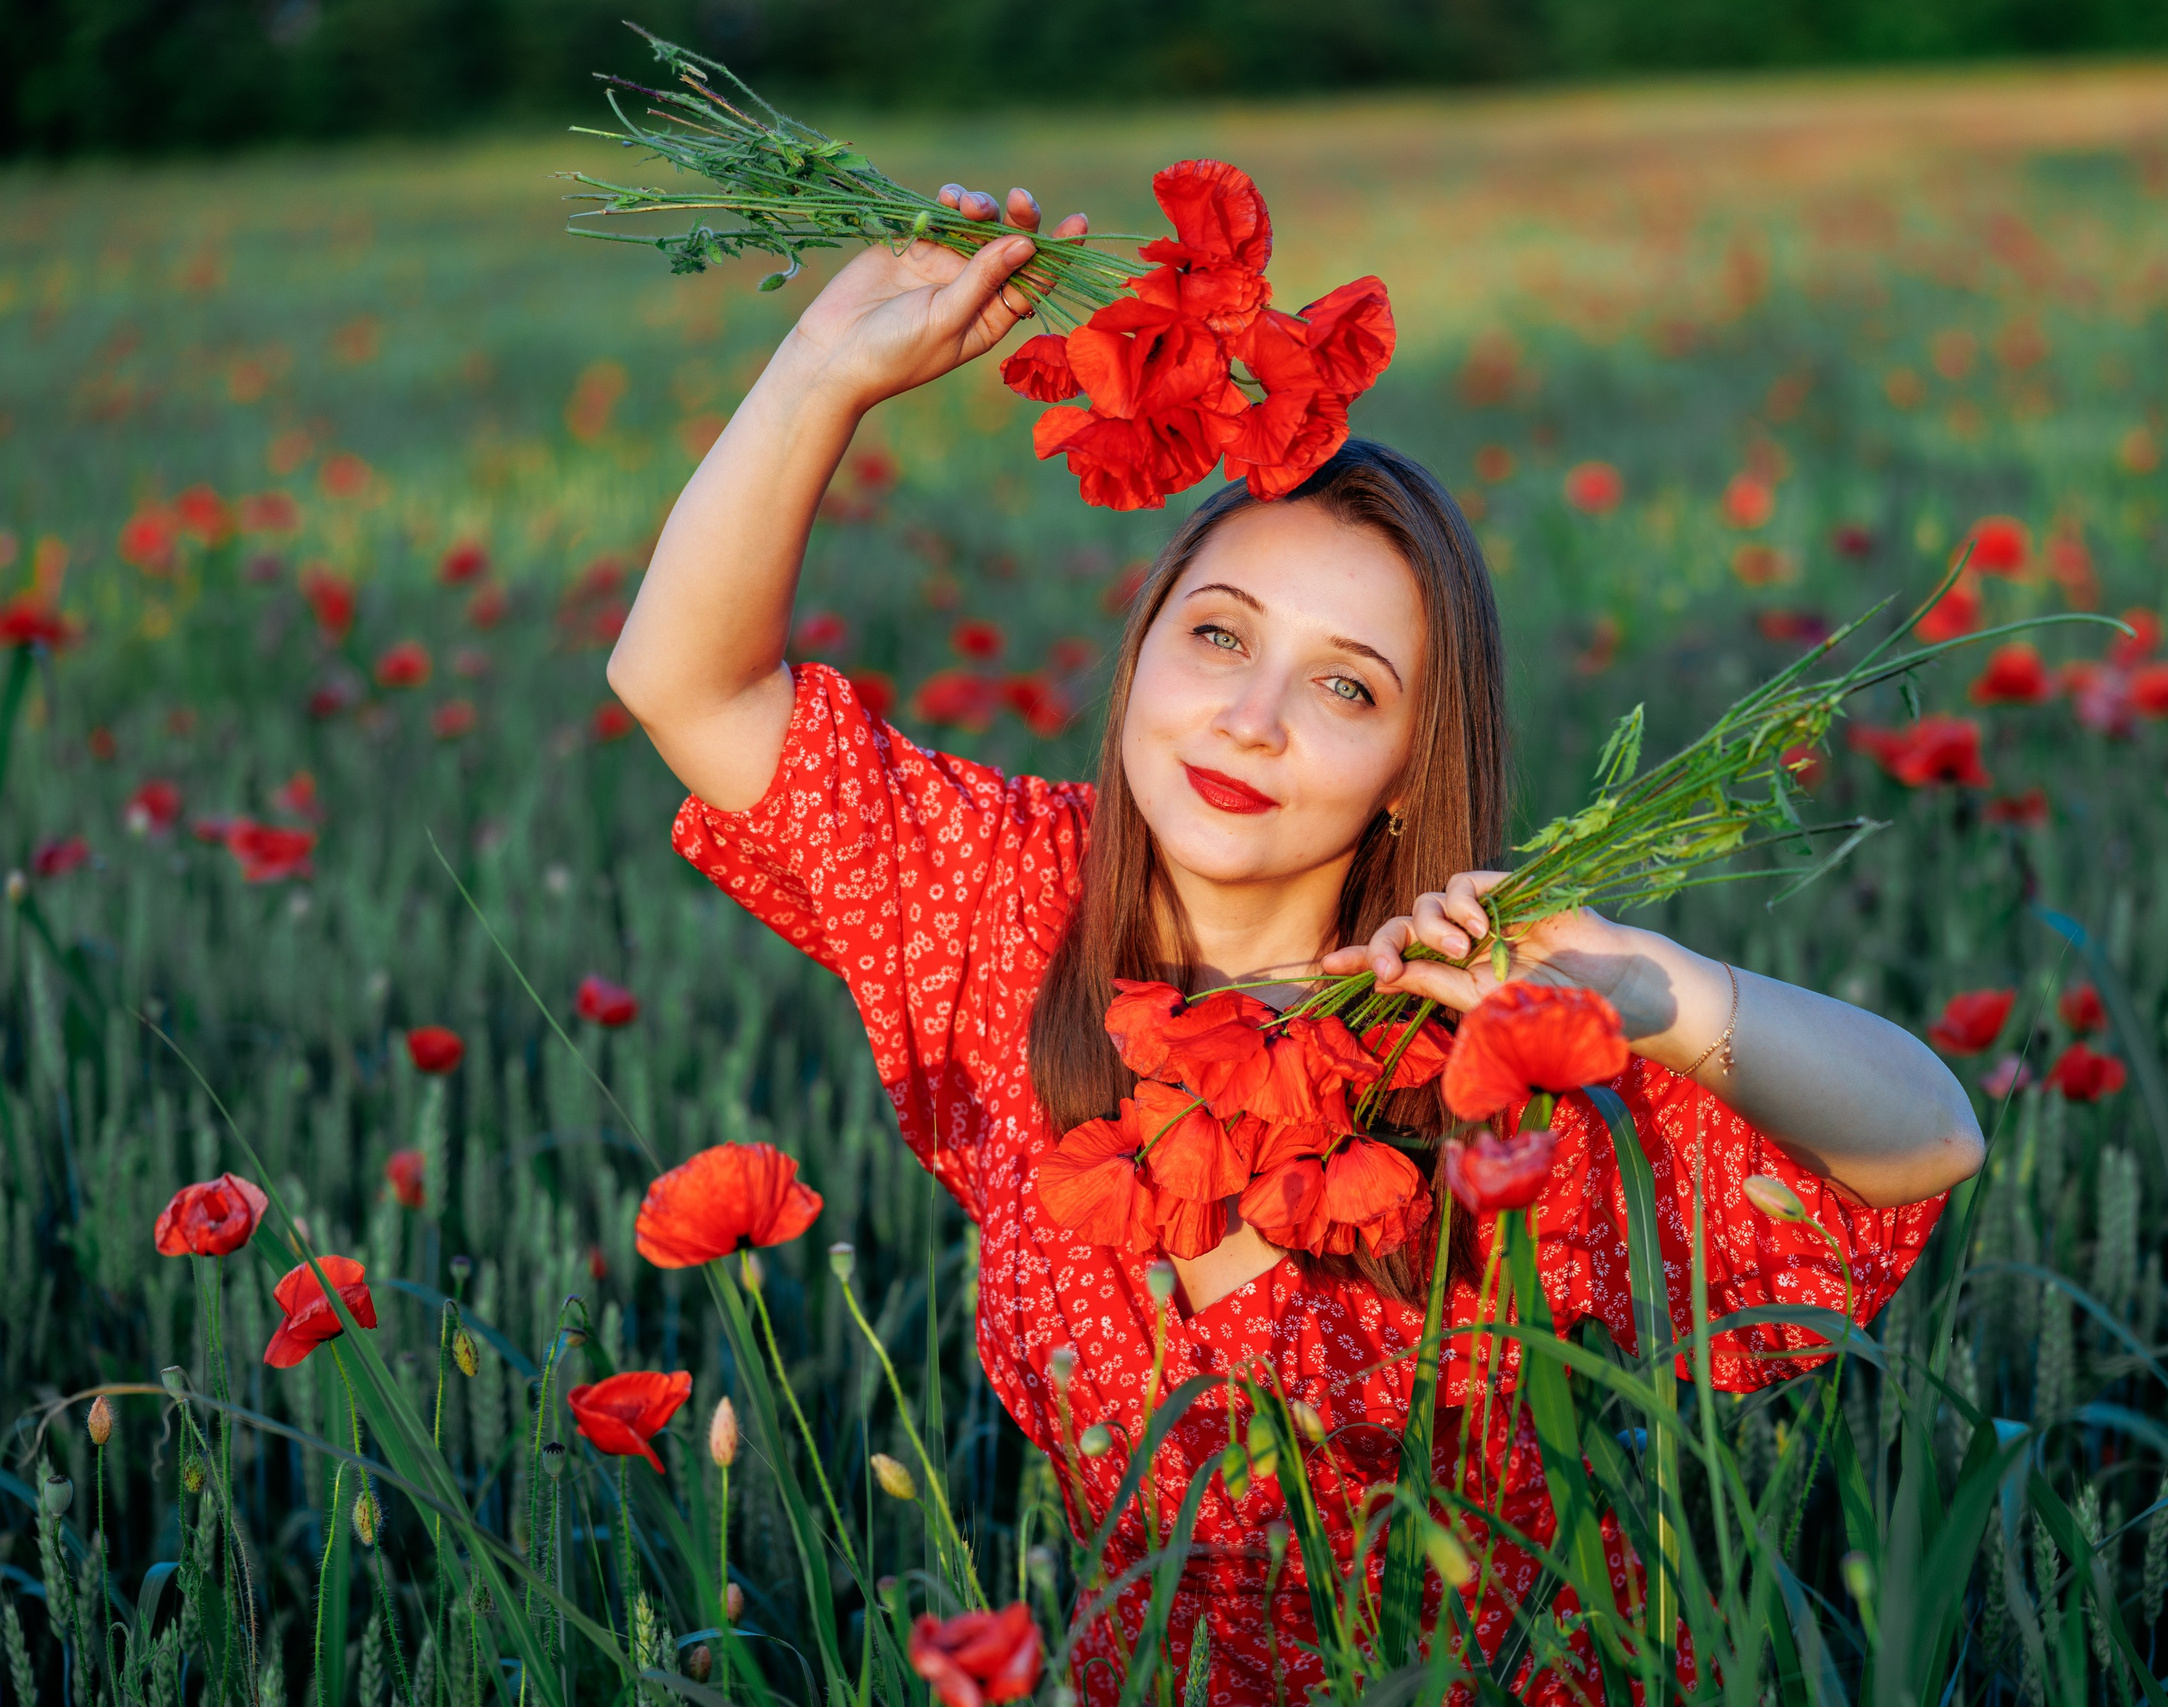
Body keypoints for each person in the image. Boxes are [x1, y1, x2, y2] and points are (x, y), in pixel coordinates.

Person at [607, 181, 1985, 1704]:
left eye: (1346, 688)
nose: (1250, 721)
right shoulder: (1007, 905)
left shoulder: (1479, 1022)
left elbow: (1928, 1140)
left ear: (1412, 762)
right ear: (1140, 652)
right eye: (1218, 634)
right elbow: (687, 684)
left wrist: (1641, 990)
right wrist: (830, 362)